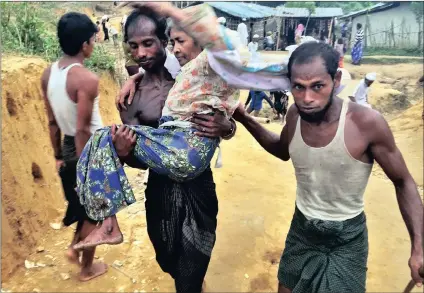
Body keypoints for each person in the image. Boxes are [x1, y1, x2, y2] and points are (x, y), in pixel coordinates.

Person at [73, 2, 290, 252]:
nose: (142, 53)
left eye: (149, 43)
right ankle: (108, 220)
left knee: (194, 259)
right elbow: (142, 157)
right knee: (169, 258)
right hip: (164, 180)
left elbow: (216, 43)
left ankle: (108, 221)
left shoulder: (207, 62)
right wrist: (124, 152)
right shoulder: (147, 88)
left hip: (192, 168)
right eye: (133, 46)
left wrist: (168, 10)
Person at [232, 41, 424, 293]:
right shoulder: (294, 115)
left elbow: (404, 182)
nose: (307, 98)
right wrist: (245, 118)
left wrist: (419, 248)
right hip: (303, 229)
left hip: (347, 238)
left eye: (317, 86)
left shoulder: (365, 123)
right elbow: (282, 150)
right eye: (298, 87)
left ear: (335, 79)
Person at [40, 12, 107, 282]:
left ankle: (73, 249)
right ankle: (86, 266)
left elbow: (53, 123)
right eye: (93, 39)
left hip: (68, 147)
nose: (94, 43)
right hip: (87, 148)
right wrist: (85, 168)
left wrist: (58, 155)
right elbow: (82, 129)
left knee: (82, 207)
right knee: (96, 211)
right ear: (84, 44)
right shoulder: (85, 79)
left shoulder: (48, 74)